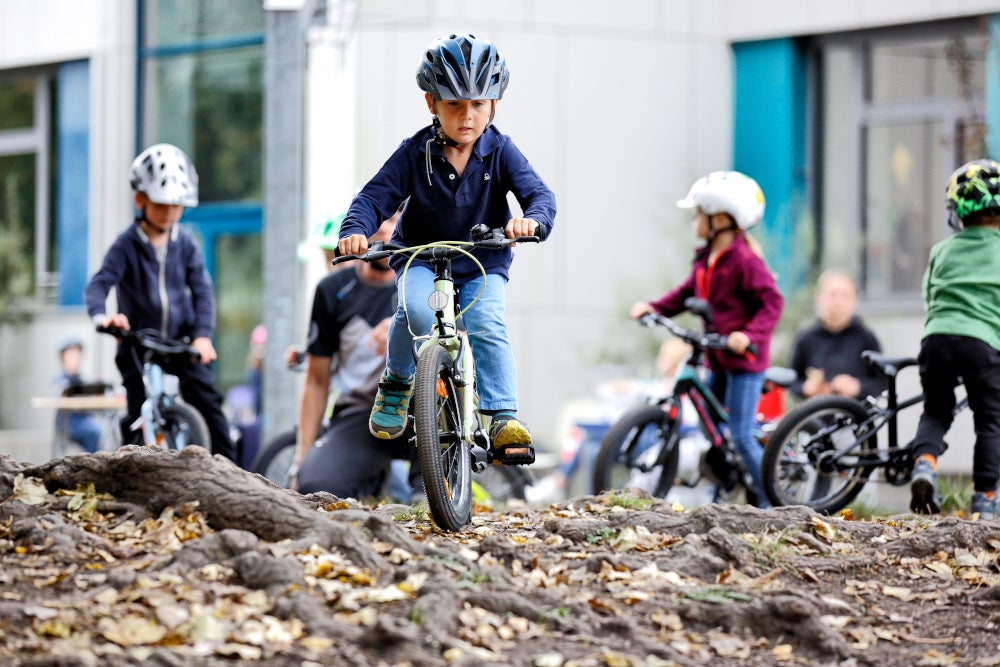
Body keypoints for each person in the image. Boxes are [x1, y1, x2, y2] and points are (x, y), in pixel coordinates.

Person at [337, 33, 557, 465]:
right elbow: (372, 199)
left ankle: (502, 417)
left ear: (494, 104)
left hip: (482, 261)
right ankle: (398, 384)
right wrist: (356, 230)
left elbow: (540, 196)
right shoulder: (413, 153)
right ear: (431, 104)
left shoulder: (501, 151)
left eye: (478, 104)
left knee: (487, 322)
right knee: (414, 312)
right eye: (454, 104)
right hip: (420, 255)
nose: (467, 116)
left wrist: (532, 220)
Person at [629, 171, 784, 507]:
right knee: (711, 432)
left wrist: (748, 335)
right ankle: (725, 484)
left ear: (721, 219)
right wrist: (653, 308)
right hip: (716, 355)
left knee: (741, 435)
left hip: (744, 360)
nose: (695, 221)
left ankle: (775, 505)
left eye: (700, 214)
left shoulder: (744, 260)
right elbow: (685, 295)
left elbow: (773, 302)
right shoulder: (706, 258)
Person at [84, 143, 237, 462]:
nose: (168, 213)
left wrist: (202, 335)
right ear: (140, 199)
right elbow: (100, 284)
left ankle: (235, 472)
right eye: (160, 204)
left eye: (175, 206)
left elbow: (203, 292)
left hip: (179, 341)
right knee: (137, 406)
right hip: (138, 341)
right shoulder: (126, 245)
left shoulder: (186, 244)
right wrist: (103, 318)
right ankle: (130, 465)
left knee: (209, 403)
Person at [290, 212, 409, 498]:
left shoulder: (428, 281)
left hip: (423, 412)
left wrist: (402, 324)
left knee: (431, 500)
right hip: (361, 414)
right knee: (314, 488)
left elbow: (462, 344)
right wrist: (301, 459)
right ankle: (369, 478)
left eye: (393, 219)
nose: (384, 229)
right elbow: (316, 381)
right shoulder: (332, 290)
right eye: (377, 217)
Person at [909, 159, 1000, 519]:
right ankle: (986, 499)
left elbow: (929, 295)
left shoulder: (942, 250)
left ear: (958, 214)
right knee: (991, 421)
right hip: (981, 342)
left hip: (936, 339)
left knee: (935, 409)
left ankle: (925, 464)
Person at [789, 269, 884, 400]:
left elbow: (883, 382)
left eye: (845, 296)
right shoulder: (806, 338)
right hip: (815, 414)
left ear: (855, 300)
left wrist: (857, 386)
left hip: (856, 414)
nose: (838, 303)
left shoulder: (866, 338)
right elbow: (792, 380)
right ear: (818, 298)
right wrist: (807, 388)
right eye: (832, 295)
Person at [54, 337, 106, 454]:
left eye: (77, 355)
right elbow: (61, 397)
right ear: (63, 357)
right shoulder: (61, 380)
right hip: (69, 422)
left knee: (106, 428)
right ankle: (94, 460)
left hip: (85, 419)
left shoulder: (83, 379)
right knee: (95, 431)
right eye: (71, 355)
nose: (75, 359)